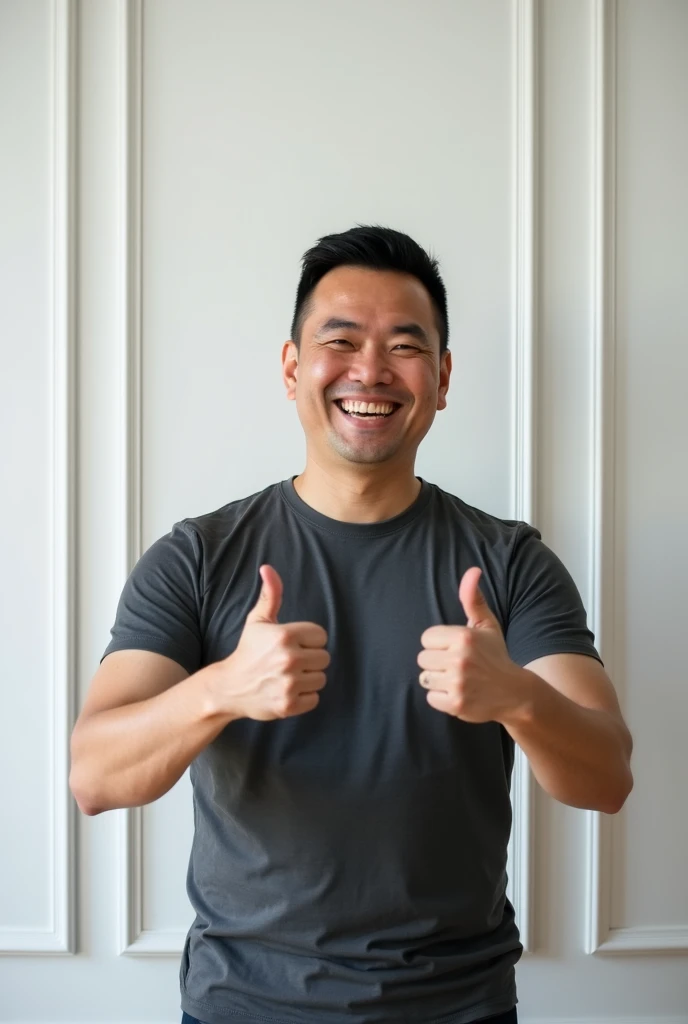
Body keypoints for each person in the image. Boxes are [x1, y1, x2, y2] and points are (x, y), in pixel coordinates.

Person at [69, 224, 634, 1024]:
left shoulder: (509, 562)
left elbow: (608, 779)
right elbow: (94, 777)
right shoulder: (197, 557)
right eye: (341, 340)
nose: (371, 370)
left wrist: (518, 699)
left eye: (405, 347)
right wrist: (220, 690)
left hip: (457, 1007)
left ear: (441, 379)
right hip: (244, 1006)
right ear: (293, 367)